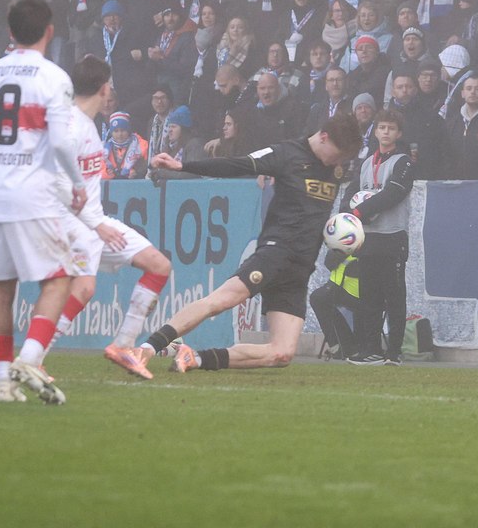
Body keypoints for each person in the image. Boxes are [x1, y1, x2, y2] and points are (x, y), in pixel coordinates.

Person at [113, 113, 361, 376]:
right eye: (338, 154)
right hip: (276, 253)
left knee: (282, 353)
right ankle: (147, 349)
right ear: (323, 137)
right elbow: (236, 164)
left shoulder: (333, 168)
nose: (339, 162)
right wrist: (183, 165)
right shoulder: (286, 154)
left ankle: (194, 358)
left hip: (300, 268)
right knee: (220, 301)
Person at [0, 0, 98, 404]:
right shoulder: (53, 77)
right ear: (49, 31)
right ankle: (30, 358)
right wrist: (77, 183)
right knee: (60, 277)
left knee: (0, 292)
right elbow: (61, 142)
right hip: (32, 194)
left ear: (10, 31)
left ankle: (5, 383)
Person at [37, 56, 173, 380]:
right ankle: (33, 359)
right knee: (83, 289)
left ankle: (123, 345)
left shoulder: (87, 126)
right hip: (71, 222)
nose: (111, 90)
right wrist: (95, 224)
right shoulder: (71, 127)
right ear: (103, 88)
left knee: (158, 265)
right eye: (109, 84)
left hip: (95, 222)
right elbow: (54, 181)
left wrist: (98, 222)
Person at [342, 109, 415, 365]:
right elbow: (350, 191)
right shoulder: (365, 163)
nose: (386, 132)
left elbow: (393, 193)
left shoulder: (404, 162)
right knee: (369, 297)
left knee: (394, 296)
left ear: (399, 134)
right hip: (368, 238)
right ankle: (370, 349)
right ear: (375, 131)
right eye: (382, 127)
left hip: (392, 236)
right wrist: (346, 214)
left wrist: (360, 211)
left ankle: (394, 352)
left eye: (391, 128)